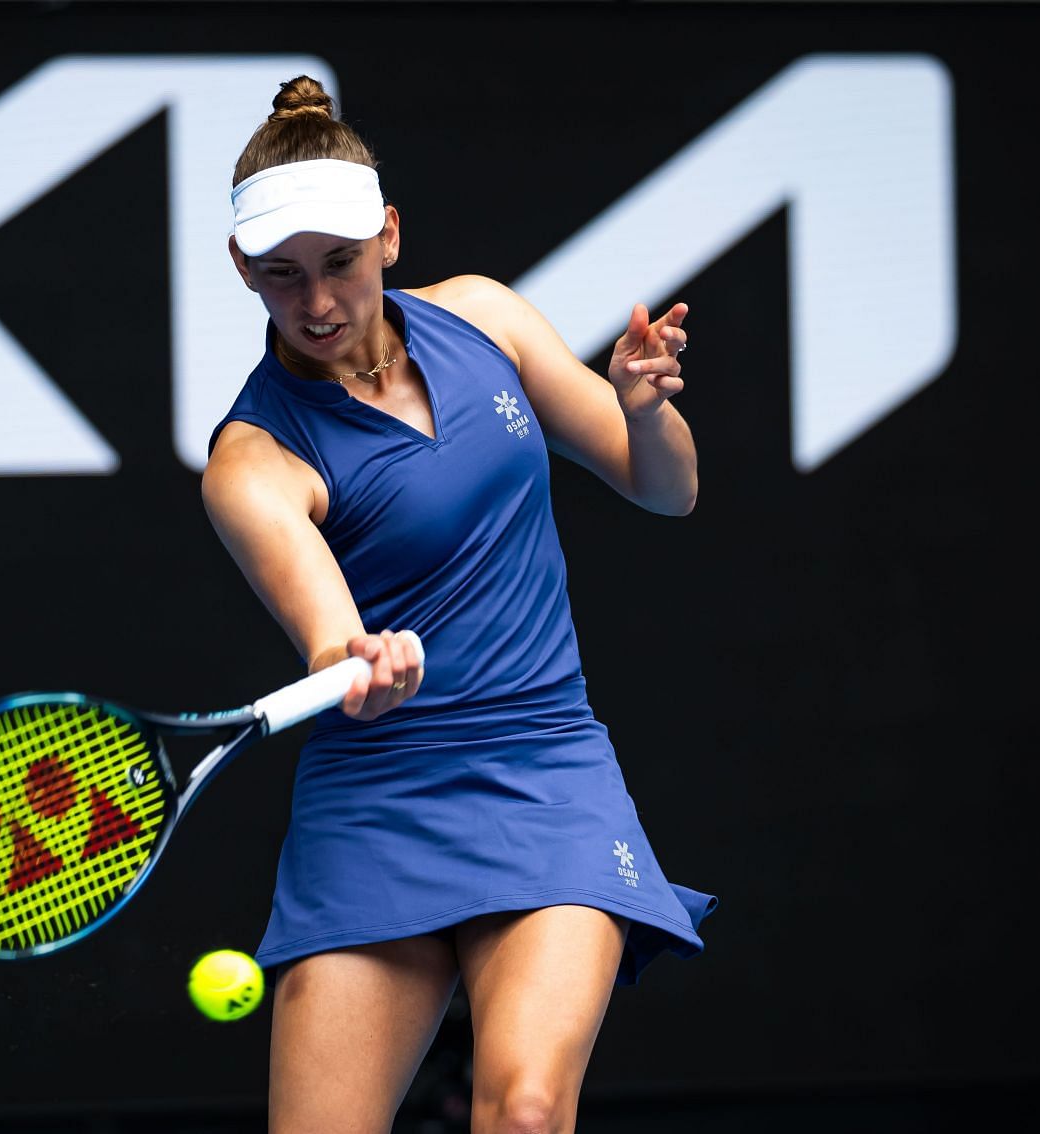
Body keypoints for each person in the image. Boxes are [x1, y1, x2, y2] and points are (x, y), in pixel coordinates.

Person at [202, 75, 717, 1134]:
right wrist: (359, 664)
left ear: (388, 235)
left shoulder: (482, 316)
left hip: (545, 771)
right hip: (377, 806)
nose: (317, 303)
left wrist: (641, 411)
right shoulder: (252, 463)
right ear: (242, 269)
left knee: (524, 1112)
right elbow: (328, 633)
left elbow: (666, 488)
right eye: (282, 276)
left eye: (340, 264)